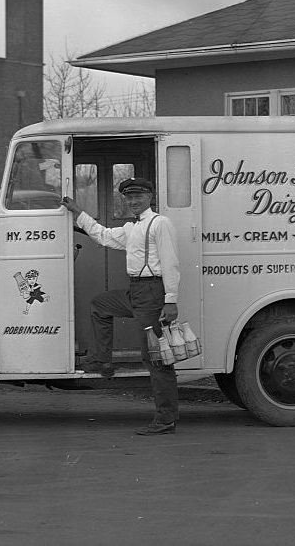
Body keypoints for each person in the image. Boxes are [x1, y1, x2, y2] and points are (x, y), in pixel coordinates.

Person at [61, 177, 180, 436]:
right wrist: (78, 212)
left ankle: (166, 419)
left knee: (156, 358)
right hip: (136, 291)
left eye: (139, 196)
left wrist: (170, 300)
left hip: (153, 292)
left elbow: (171, 263)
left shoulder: (160, 224)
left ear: (150, 197)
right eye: (129, 197)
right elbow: (103, 236)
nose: (134, 201)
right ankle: (102, 361)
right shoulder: (131, 228)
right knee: (100, 305)